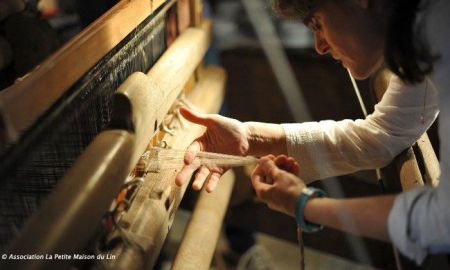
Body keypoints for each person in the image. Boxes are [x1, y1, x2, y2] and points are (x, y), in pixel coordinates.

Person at [175, 0, 450, 265]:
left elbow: (443, 220)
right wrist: (250, 138)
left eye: (317, 23)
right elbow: (384, 134)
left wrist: (305, 206)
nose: (319, 47)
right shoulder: (423, 29)